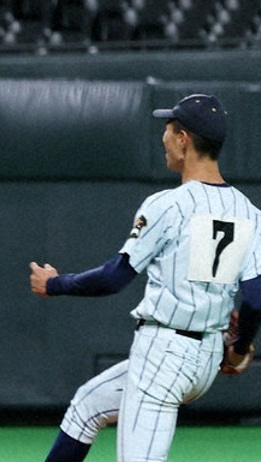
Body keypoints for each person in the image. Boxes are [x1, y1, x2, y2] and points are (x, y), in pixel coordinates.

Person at [29, 93, 261, 462]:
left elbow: (113, 278)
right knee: (87, 404)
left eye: (169, 129)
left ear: (184, 138)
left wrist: (55, 284)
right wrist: (236, 349)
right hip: (205, 358)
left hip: (163, 353)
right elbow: (254, 298)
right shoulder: (249, 212)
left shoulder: (168, 204)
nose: (164, 137)